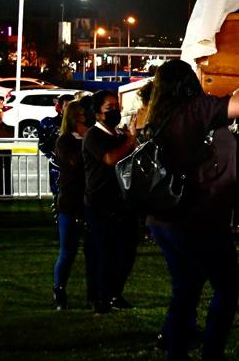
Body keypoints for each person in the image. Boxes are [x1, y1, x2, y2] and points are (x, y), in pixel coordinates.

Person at [144, 60, 239, 359]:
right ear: (189, 82)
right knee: (227, 287)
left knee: (186, 289)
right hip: (200, 219)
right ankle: (211, 352)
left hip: (165, 221)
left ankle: (176, 350)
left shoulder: (161, 116)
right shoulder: (195, 110)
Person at [82, 90, 140, 314]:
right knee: (102, 253)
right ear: (97, 113)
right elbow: (110, 159)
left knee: (125, 252)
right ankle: (97, 297)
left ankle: (114, 293)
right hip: (100, 203)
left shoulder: (118, 134)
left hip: (122, 202)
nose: (115, 111)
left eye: (117, 106)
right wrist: (130, 140)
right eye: (110, 108)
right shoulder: (93, 136)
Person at [52, 100, 97, 310]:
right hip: (71, 203)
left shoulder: (89, 136)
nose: (85, 116)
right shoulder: (64, 141)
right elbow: (75, 164)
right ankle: (59, 290)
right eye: (81, 114)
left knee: (93, 252)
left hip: (89, 202)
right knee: (68, 251)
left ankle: (93, 295)